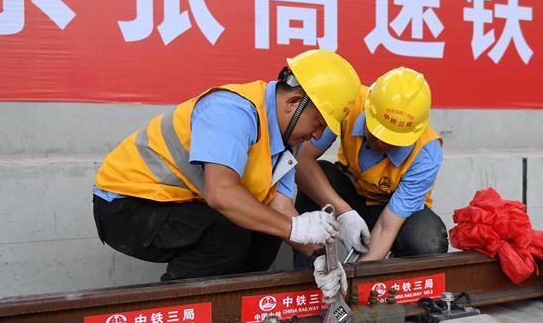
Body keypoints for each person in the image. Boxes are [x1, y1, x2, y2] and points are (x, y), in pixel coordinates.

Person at [92, 49, 360, 309]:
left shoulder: (286, 142)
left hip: (176, 205)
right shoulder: (232, 111)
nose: (317, 136)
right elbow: (221, 194)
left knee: (267, 230)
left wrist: (320, 257)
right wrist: (293, 228)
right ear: (293, 103)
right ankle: (175, 321)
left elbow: (280, 207)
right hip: (127, 204)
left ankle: (227, 311)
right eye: (319, 123)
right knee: (228, 230)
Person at [295, 66, 449, 262]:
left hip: (395, 215)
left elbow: (387, 227)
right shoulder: (349, 102)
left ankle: (391, 286)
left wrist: (356, 279)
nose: (381, 143)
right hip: (352, 196)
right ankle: (312, 269)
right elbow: (301, 160)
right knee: (322, 176)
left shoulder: (426, 153)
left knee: (427, 239)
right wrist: (344, 211)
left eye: (393, 140)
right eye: (377, 132)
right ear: (368, 108)